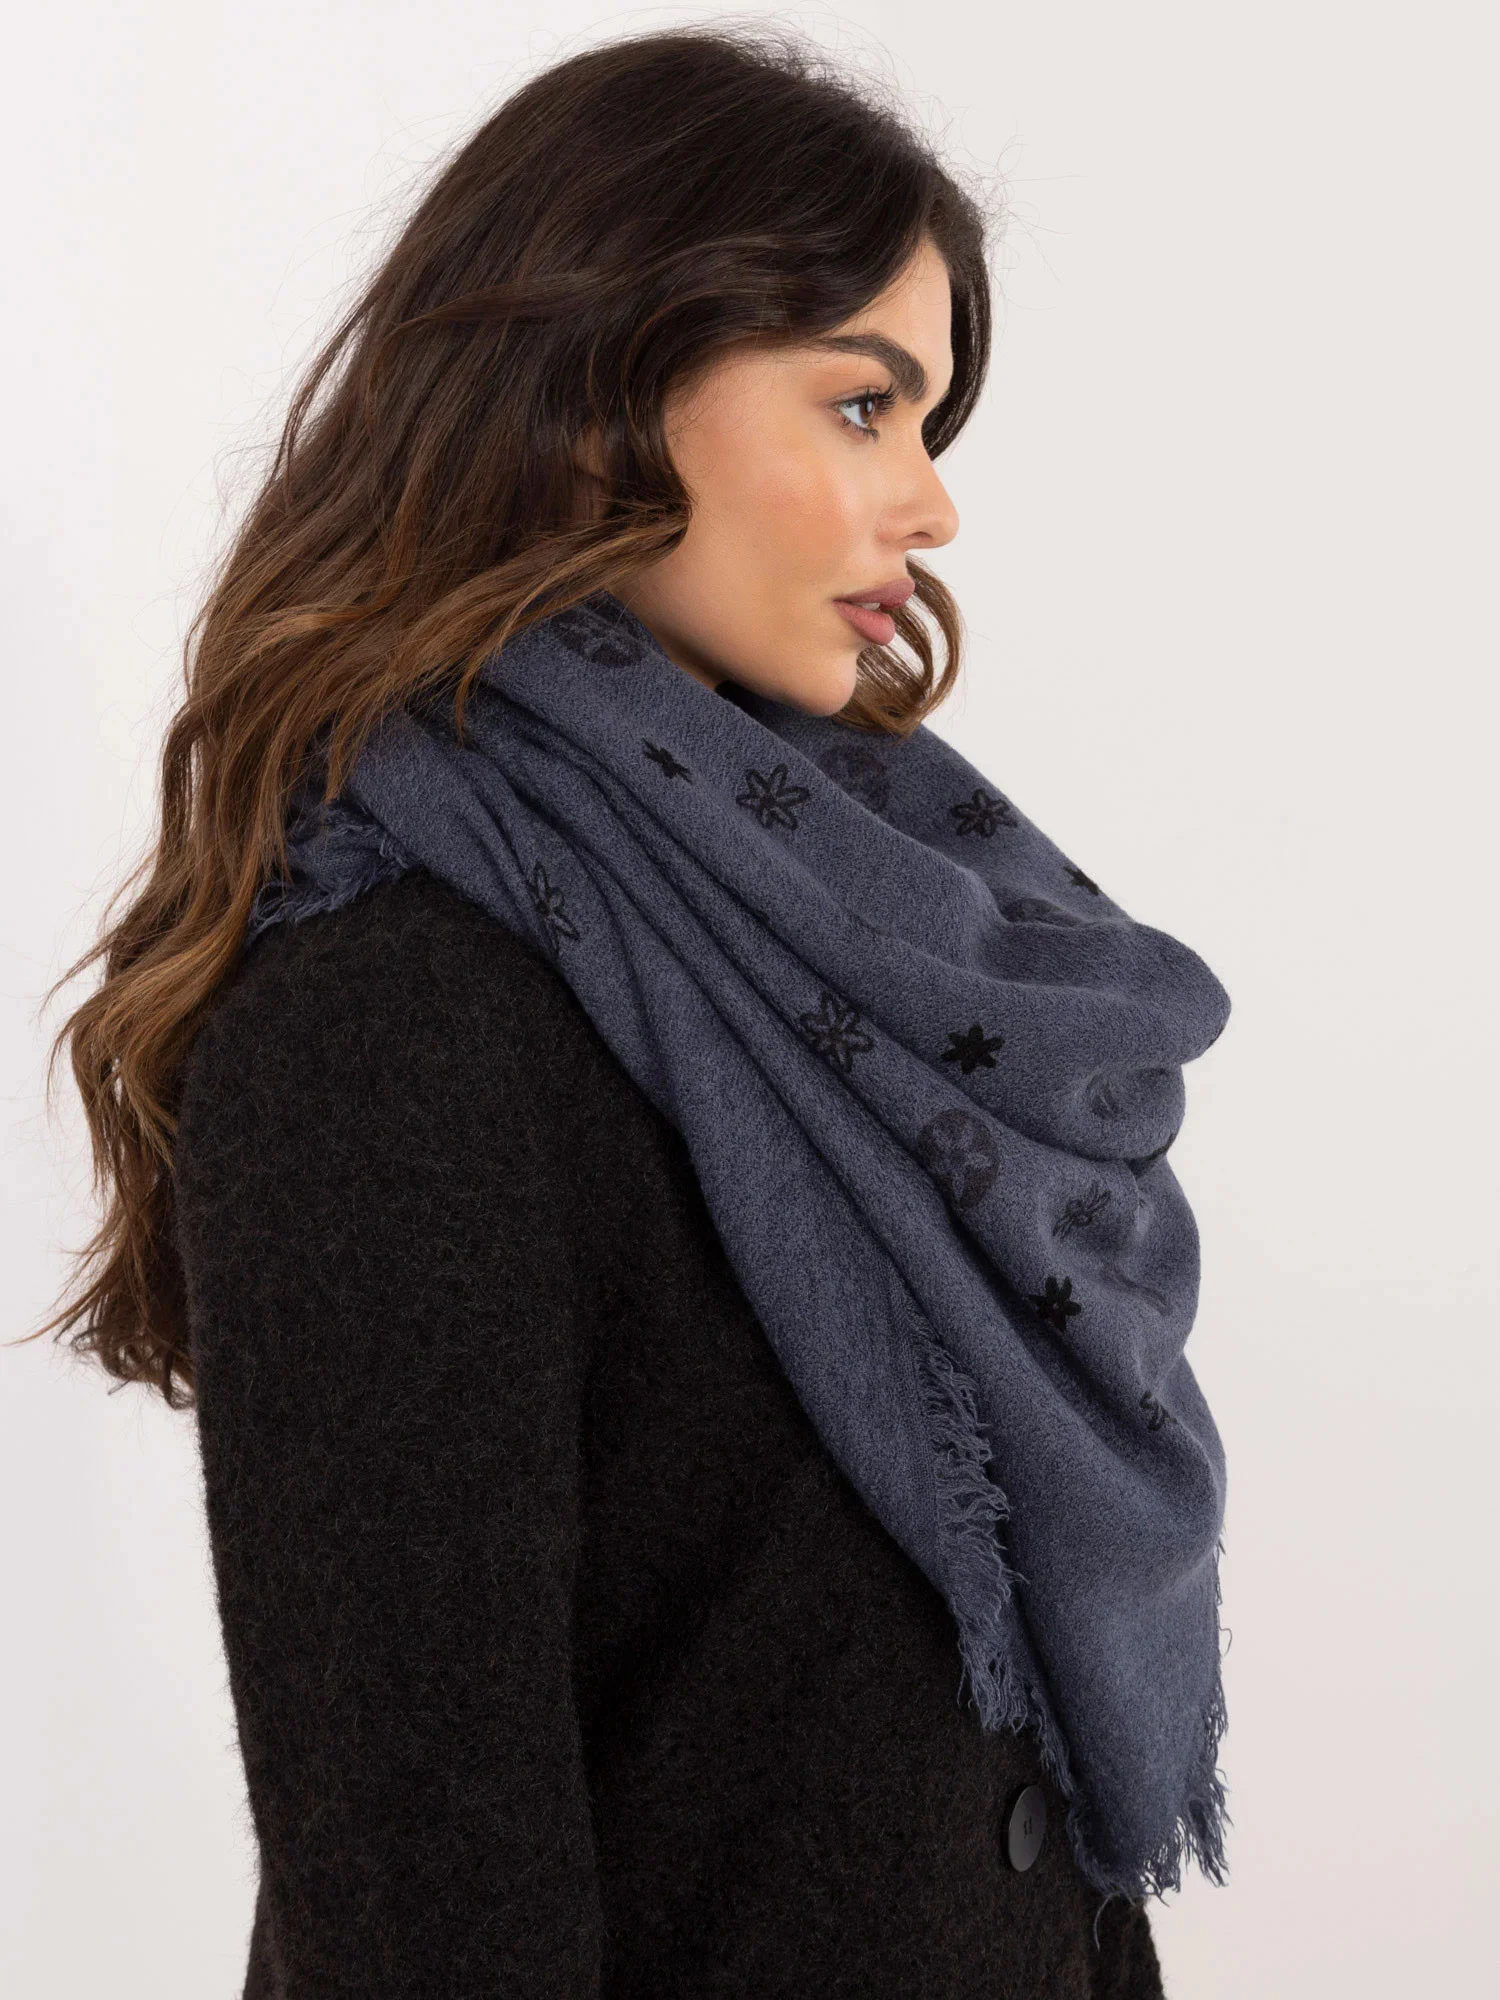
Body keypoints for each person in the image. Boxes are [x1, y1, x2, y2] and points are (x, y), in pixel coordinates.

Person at [41, 24, 1233, 1997]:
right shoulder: (395, 1018)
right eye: (863, 405)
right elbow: (423, 1917)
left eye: (930, 424)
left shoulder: (870, 953)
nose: (931, 506)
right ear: (601, 396)